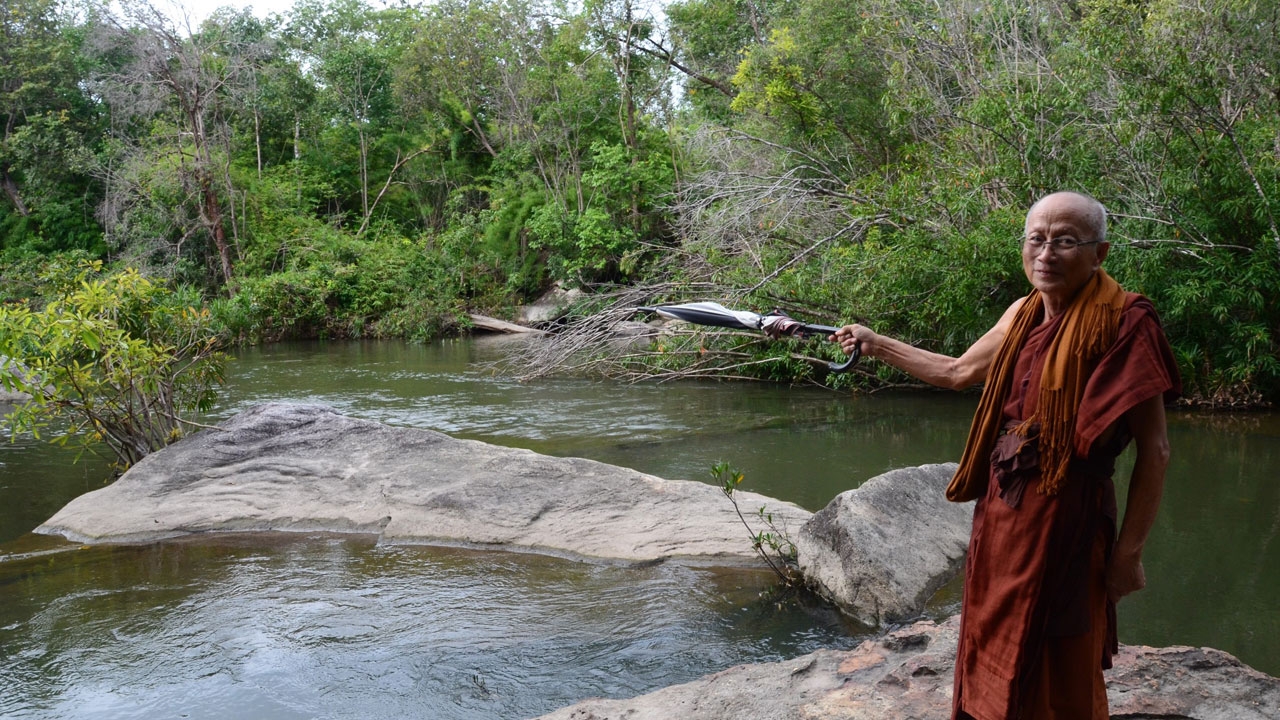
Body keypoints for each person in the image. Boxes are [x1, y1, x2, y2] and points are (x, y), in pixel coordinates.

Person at [831, 191, 1180, 720]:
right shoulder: (1021, 313)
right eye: (1036, 240)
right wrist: (876, 343)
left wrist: (1128, 554)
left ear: (1099, 253)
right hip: (1003, 509)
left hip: (1071, 515)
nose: (1046, 253)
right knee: (992, 627)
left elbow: (1155, 451)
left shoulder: (1125, 321)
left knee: (1061, 639)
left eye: (1065, 241)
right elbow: (955, 372)